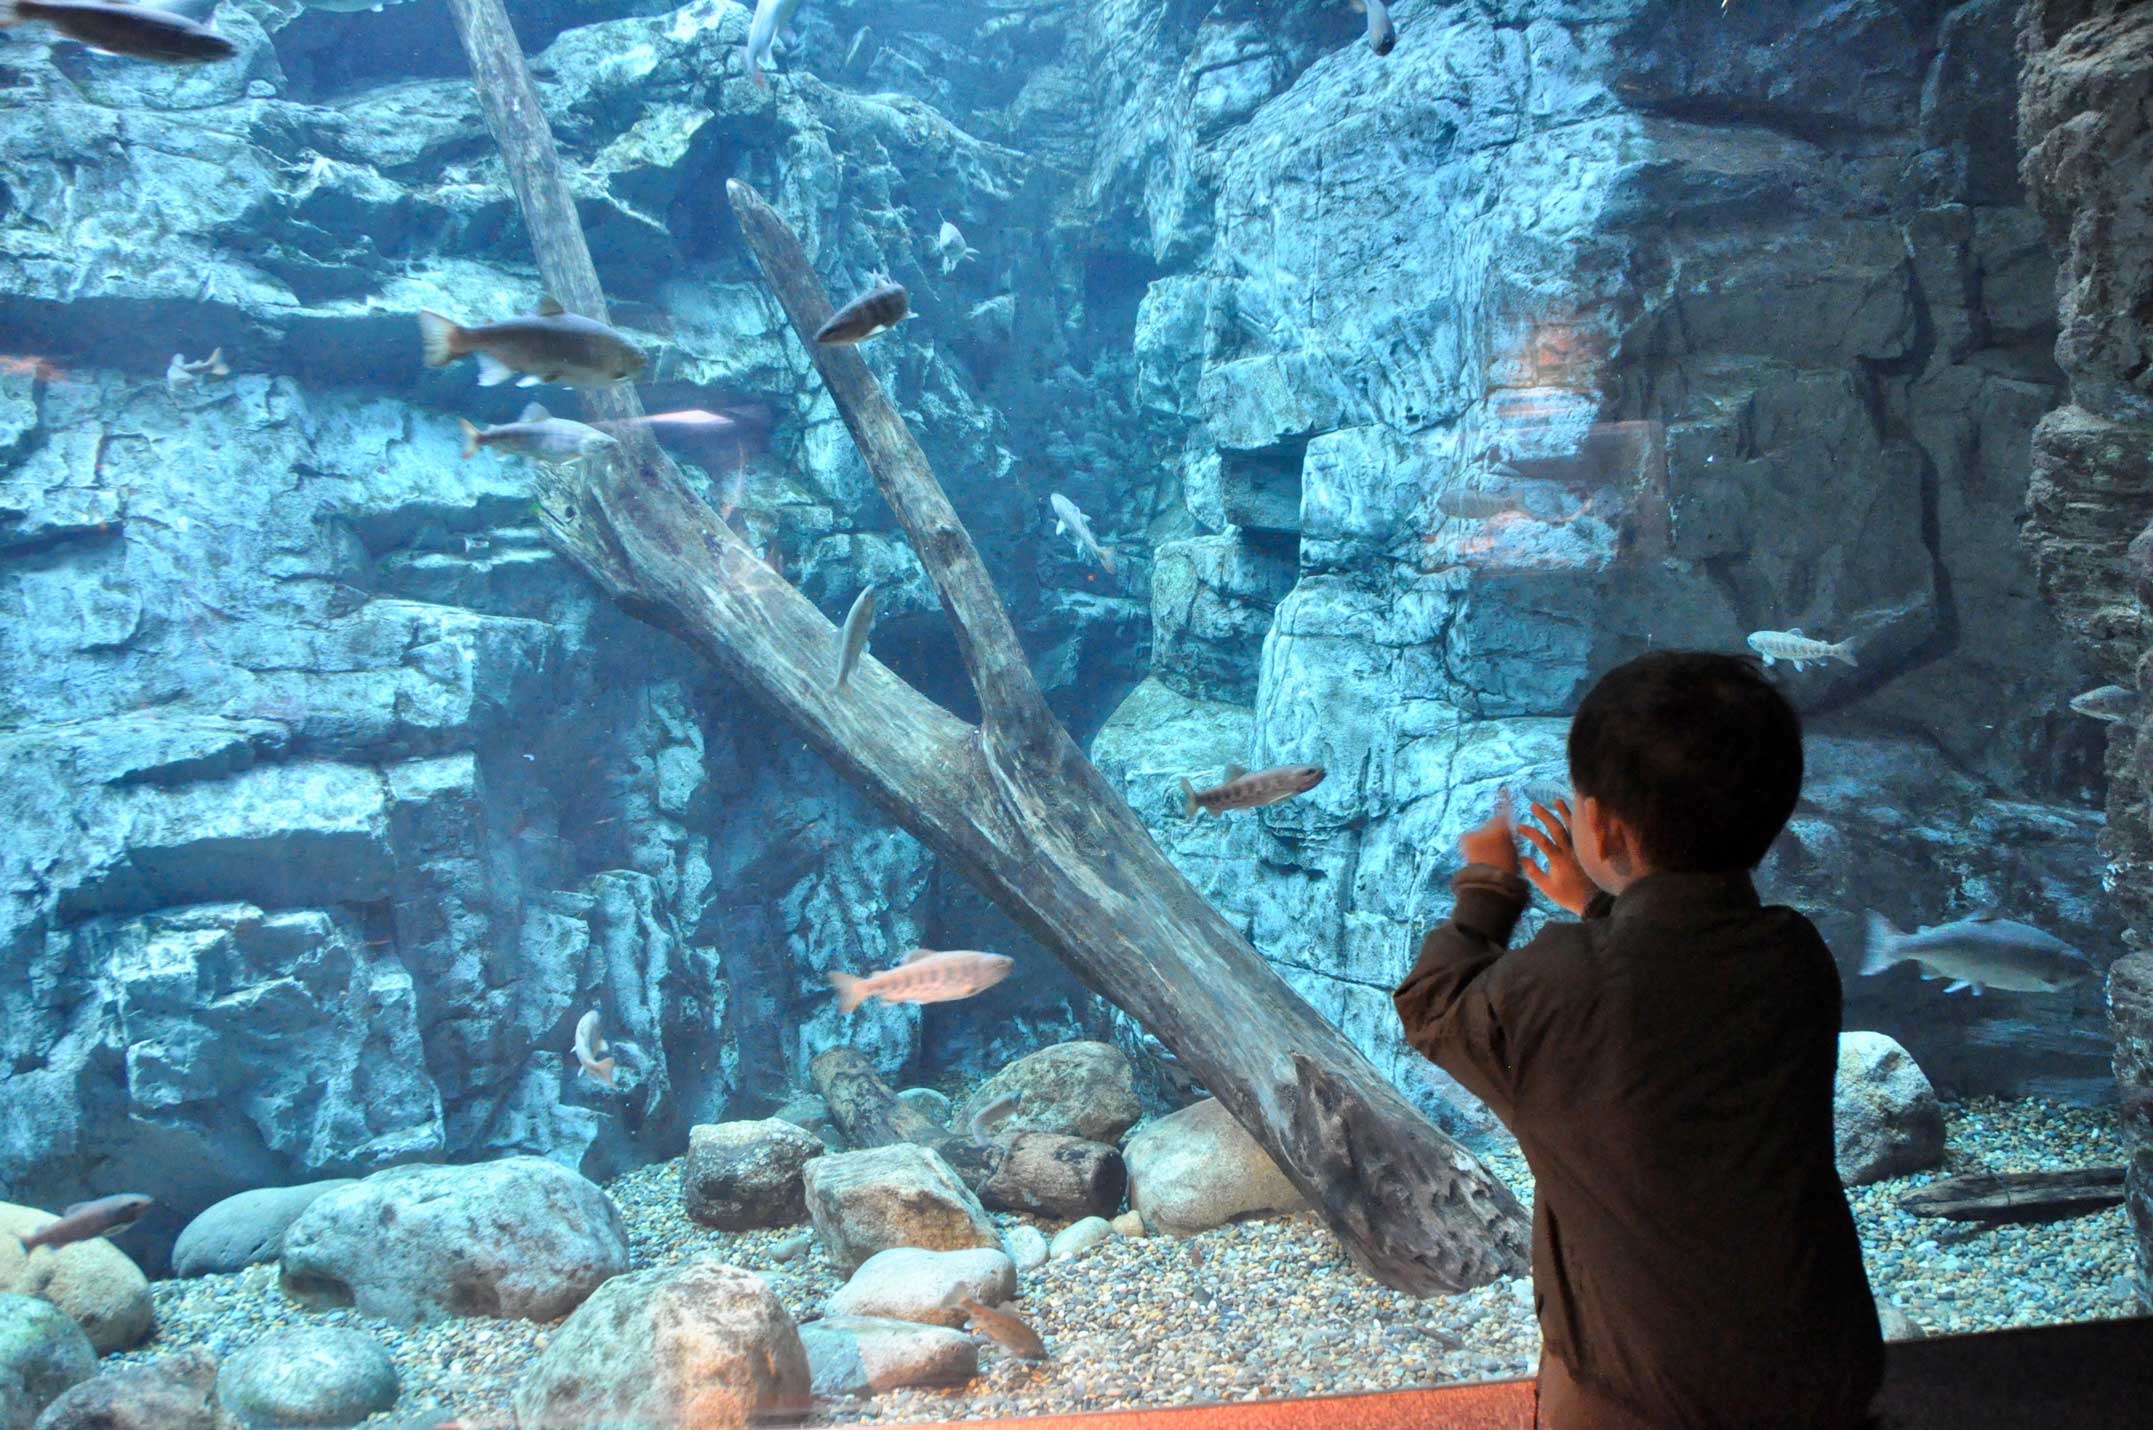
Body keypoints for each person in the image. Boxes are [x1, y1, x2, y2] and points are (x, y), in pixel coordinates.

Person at [1393, 651, 1883, 1429]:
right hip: (1815, 1376)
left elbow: (1431, 1004)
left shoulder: (1554, 983)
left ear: (1600, 823)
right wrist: (1594, 905)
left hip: (1634, 1398)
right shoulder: (1792, 955)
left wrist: (1489, 887)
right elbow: (1668, 987)